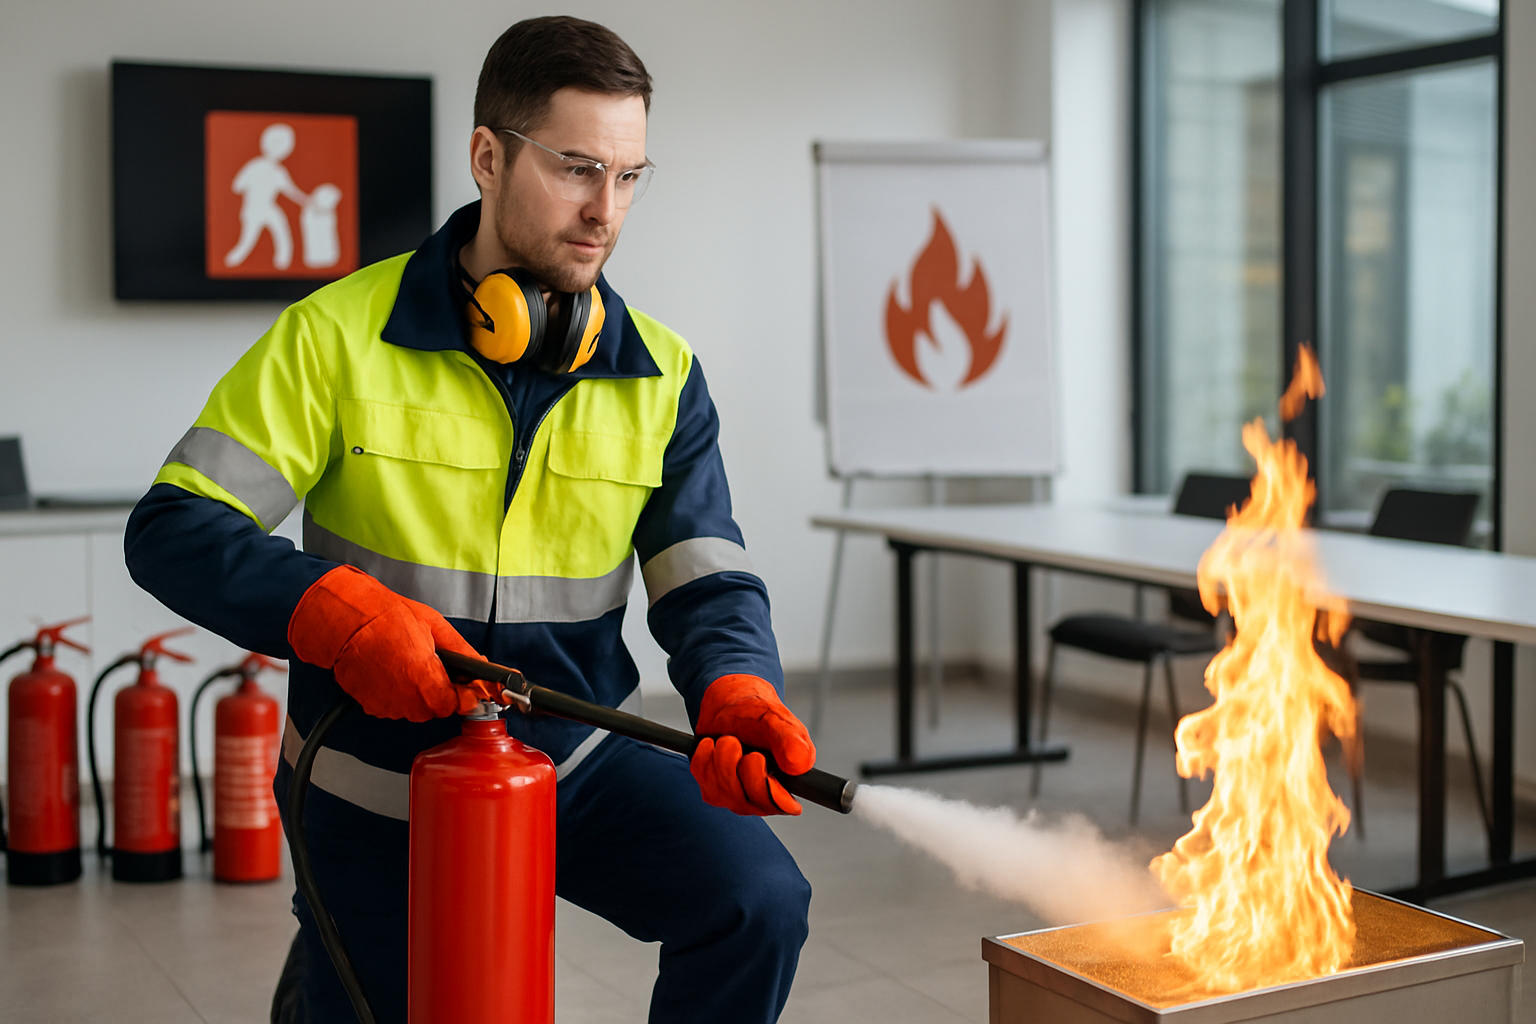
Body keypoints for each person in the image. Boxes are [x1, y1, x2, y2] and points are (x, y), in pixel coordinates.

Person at [125, 16, 814, 1024]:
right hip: (371, 791)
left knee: (757, 904)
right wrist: (339, 612)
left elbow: (704, 571)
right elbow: (173, 526)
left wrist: (742, 683)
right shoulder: (338, 337)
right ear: (488, 156)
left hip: (572, 763)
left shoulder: (660, 375)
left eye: (629, 176)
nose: (605, 211)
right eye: (579, 168)